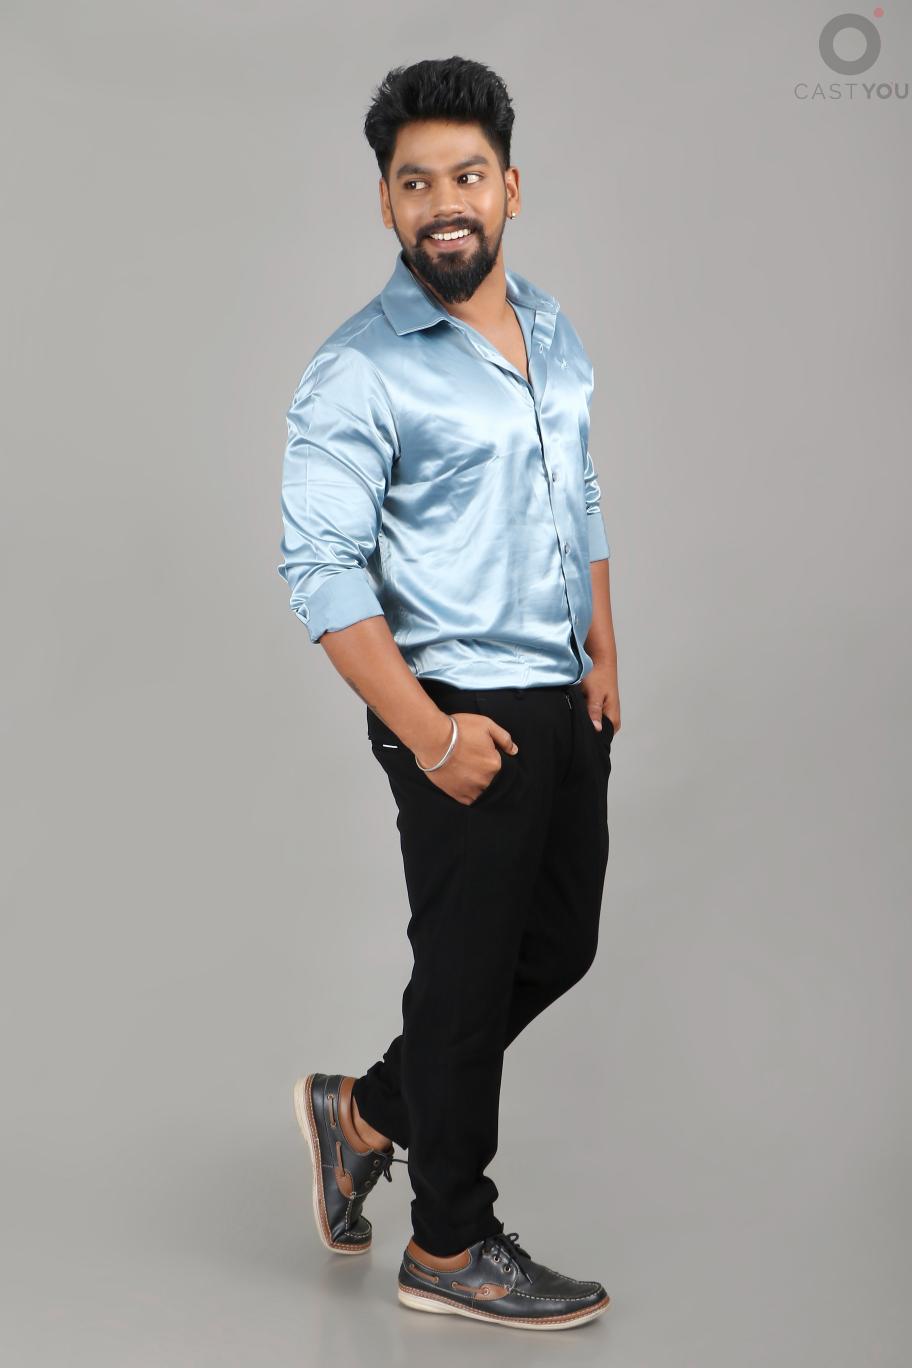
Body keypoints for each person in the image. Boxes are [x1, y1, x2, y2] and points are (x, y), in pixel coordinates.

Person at [278, 55, 620, 1332]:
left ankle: (363, 1114)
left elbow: (578, 487)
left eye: (466, 176)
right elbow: (319, 570)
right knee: (466, 982)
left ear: (509, 188)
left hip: (560, 691)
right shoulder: (357, 368)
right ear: (386, 202)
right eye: (414, 183)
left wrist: (604, 649)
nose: (443, 204)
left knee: (558, 945)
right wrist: (428, 737)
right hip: (455, 705)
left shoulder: (551, 324)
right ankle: (449, 1243)